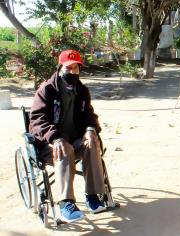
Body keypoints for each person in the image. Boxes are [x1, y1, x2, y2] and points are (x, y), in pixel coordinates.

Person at [29, 49, 108, 223]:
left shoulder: (82, 90)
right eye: (68, 68)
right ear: (60, 68)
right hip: (50, 144)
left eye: (76, 68)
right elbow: (37, 120)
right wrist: (55, 137)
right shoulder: (47, 90)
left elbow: (89, 114)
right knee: (64, 148)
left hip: (75, 140)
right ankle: (66, 204)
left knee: (91, 143)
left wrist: (90, 129)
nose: (72, 72)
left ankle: (93, 196)